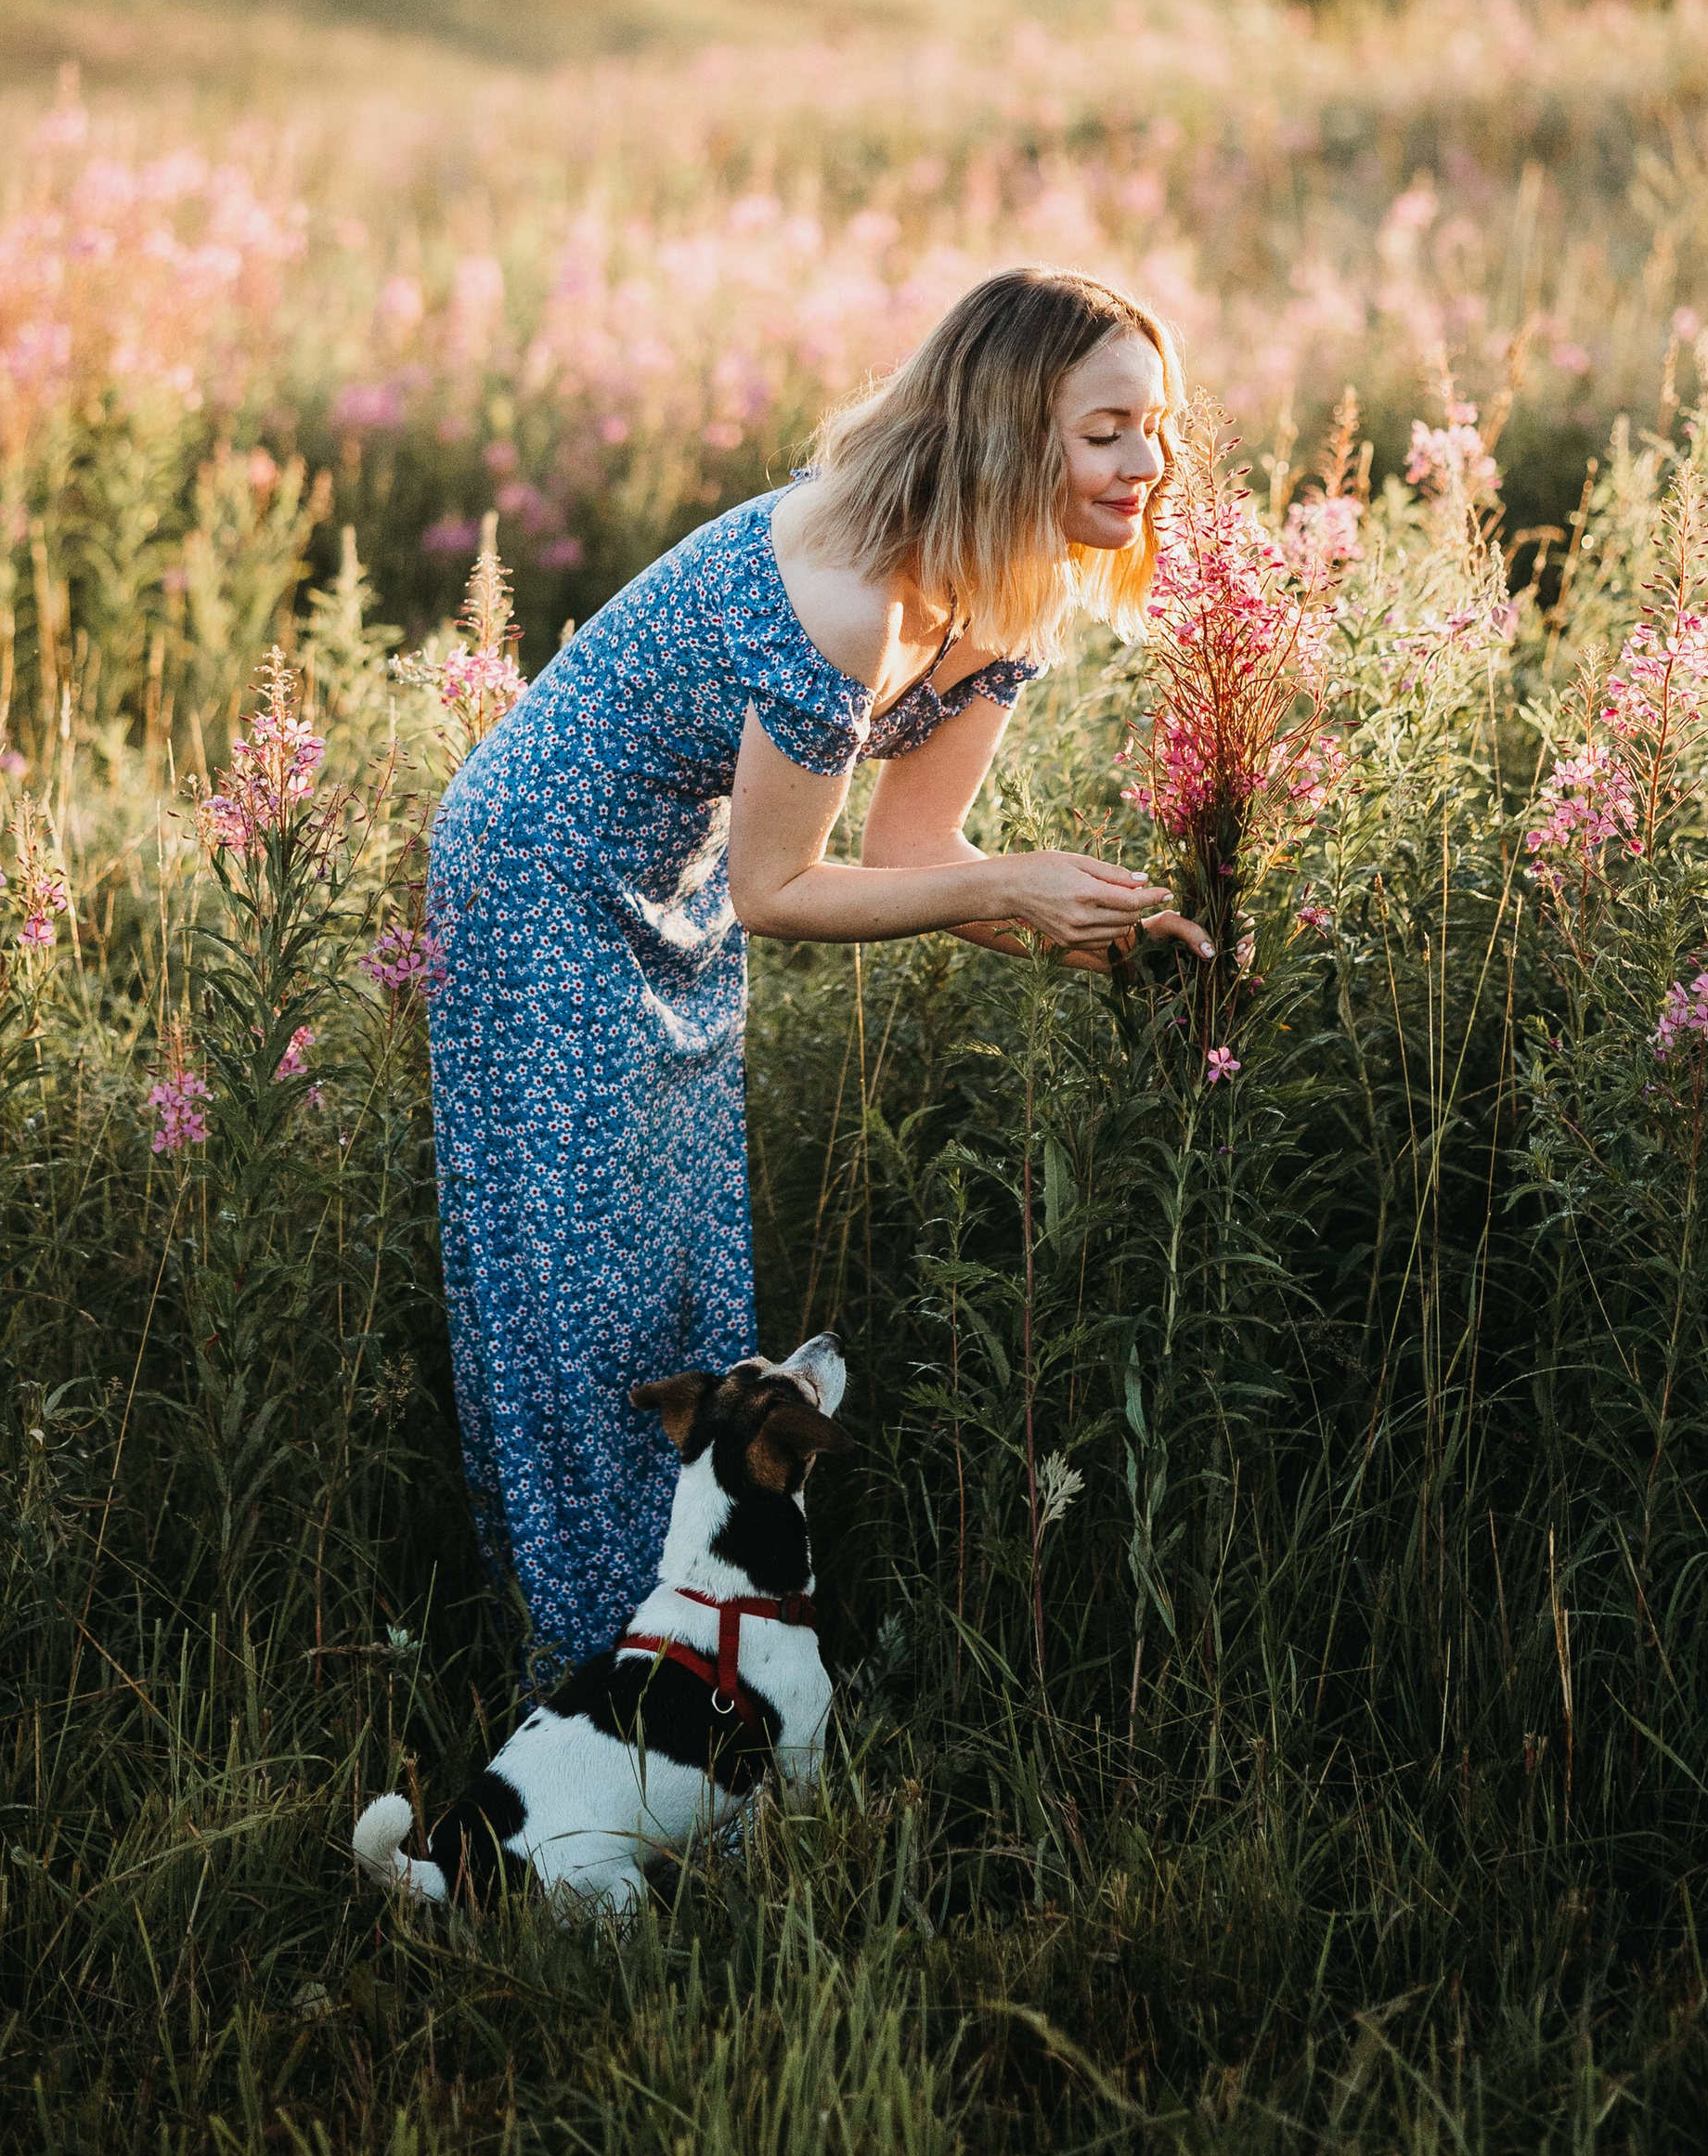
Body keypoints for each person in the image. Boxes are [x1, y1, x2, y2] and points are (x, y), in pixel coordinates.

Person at [423, 265, 1212, 1675]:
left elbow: (922, 849)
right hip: (539, 870)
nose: (1146, 461)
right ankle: (583, 1697)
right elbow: (779, 893)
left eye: (1155, 425)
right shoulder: (848, 593)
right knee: (577, 1298)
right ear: (1007, 427)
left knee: (676, 1278)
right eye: (1106, 431)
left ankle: (691, 1672)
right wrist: (1008, 889)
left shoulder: (1008, 598)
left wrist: (1101, 923)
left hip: (674, 886)